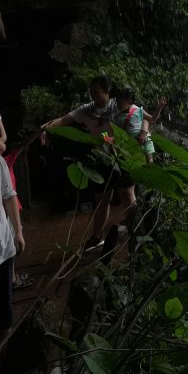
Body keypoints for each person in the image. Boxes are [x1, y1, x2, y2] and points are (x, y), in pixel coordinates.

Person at [43, 75, 120, 251]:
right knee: (102, 199)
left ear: (107, 92)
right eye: (91, 92)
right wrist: (46, 127)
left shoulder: (118, 107)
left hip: (123, 156)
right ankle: (97, 236)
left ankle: (131, 230)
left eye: (96, 92)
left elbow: (137, 118)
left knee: (127, 196)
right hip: (102, 159)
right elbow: (63, 120)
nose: (93, 95)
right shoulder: (87, 110)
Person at [0, 146, 25, 346]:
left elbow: (9, 196)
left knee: (4, 305)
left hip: (2, 247)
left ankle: (5, 351)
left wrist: (18, 231)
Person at [114, 87, 164, 165]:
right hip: (131, 144)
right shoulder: (117, 117)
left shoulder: (138, 110)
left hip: (145, 141)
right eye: (117, 102)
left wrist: (159, 108)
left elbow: (152, 119)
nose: (118, 105)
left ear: (130, 102)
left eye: (120, 102)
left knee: (149, 162)